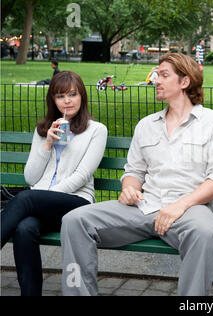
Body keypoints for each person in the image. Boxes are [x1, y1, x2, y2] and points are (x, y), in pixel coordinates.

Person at [60, 53, 213, 296]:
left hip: (191, 209)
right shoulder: (146, 125)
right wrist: (129, 189)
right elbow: (134, 171)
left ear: (184, 82)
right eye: (156, 75)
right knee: (75, 221)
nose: (156, 80)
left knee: (204, 234)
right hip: (144, 207)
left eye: (163, 75)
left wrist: (179, 206)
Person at [0, 71, 108, 296]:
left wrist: (43, 196)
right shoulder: (43, 131)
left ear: (82, 97)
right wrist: (47, 143)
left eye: (72, 94)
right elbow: (30, 177)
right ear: (53, 100)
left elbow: (82, 175)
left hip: (76, 203)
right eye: (60, 96)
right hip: (40, 204)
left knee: (27, 197)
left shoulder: (96, 130)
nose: (67, 101)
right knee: (24, 228)